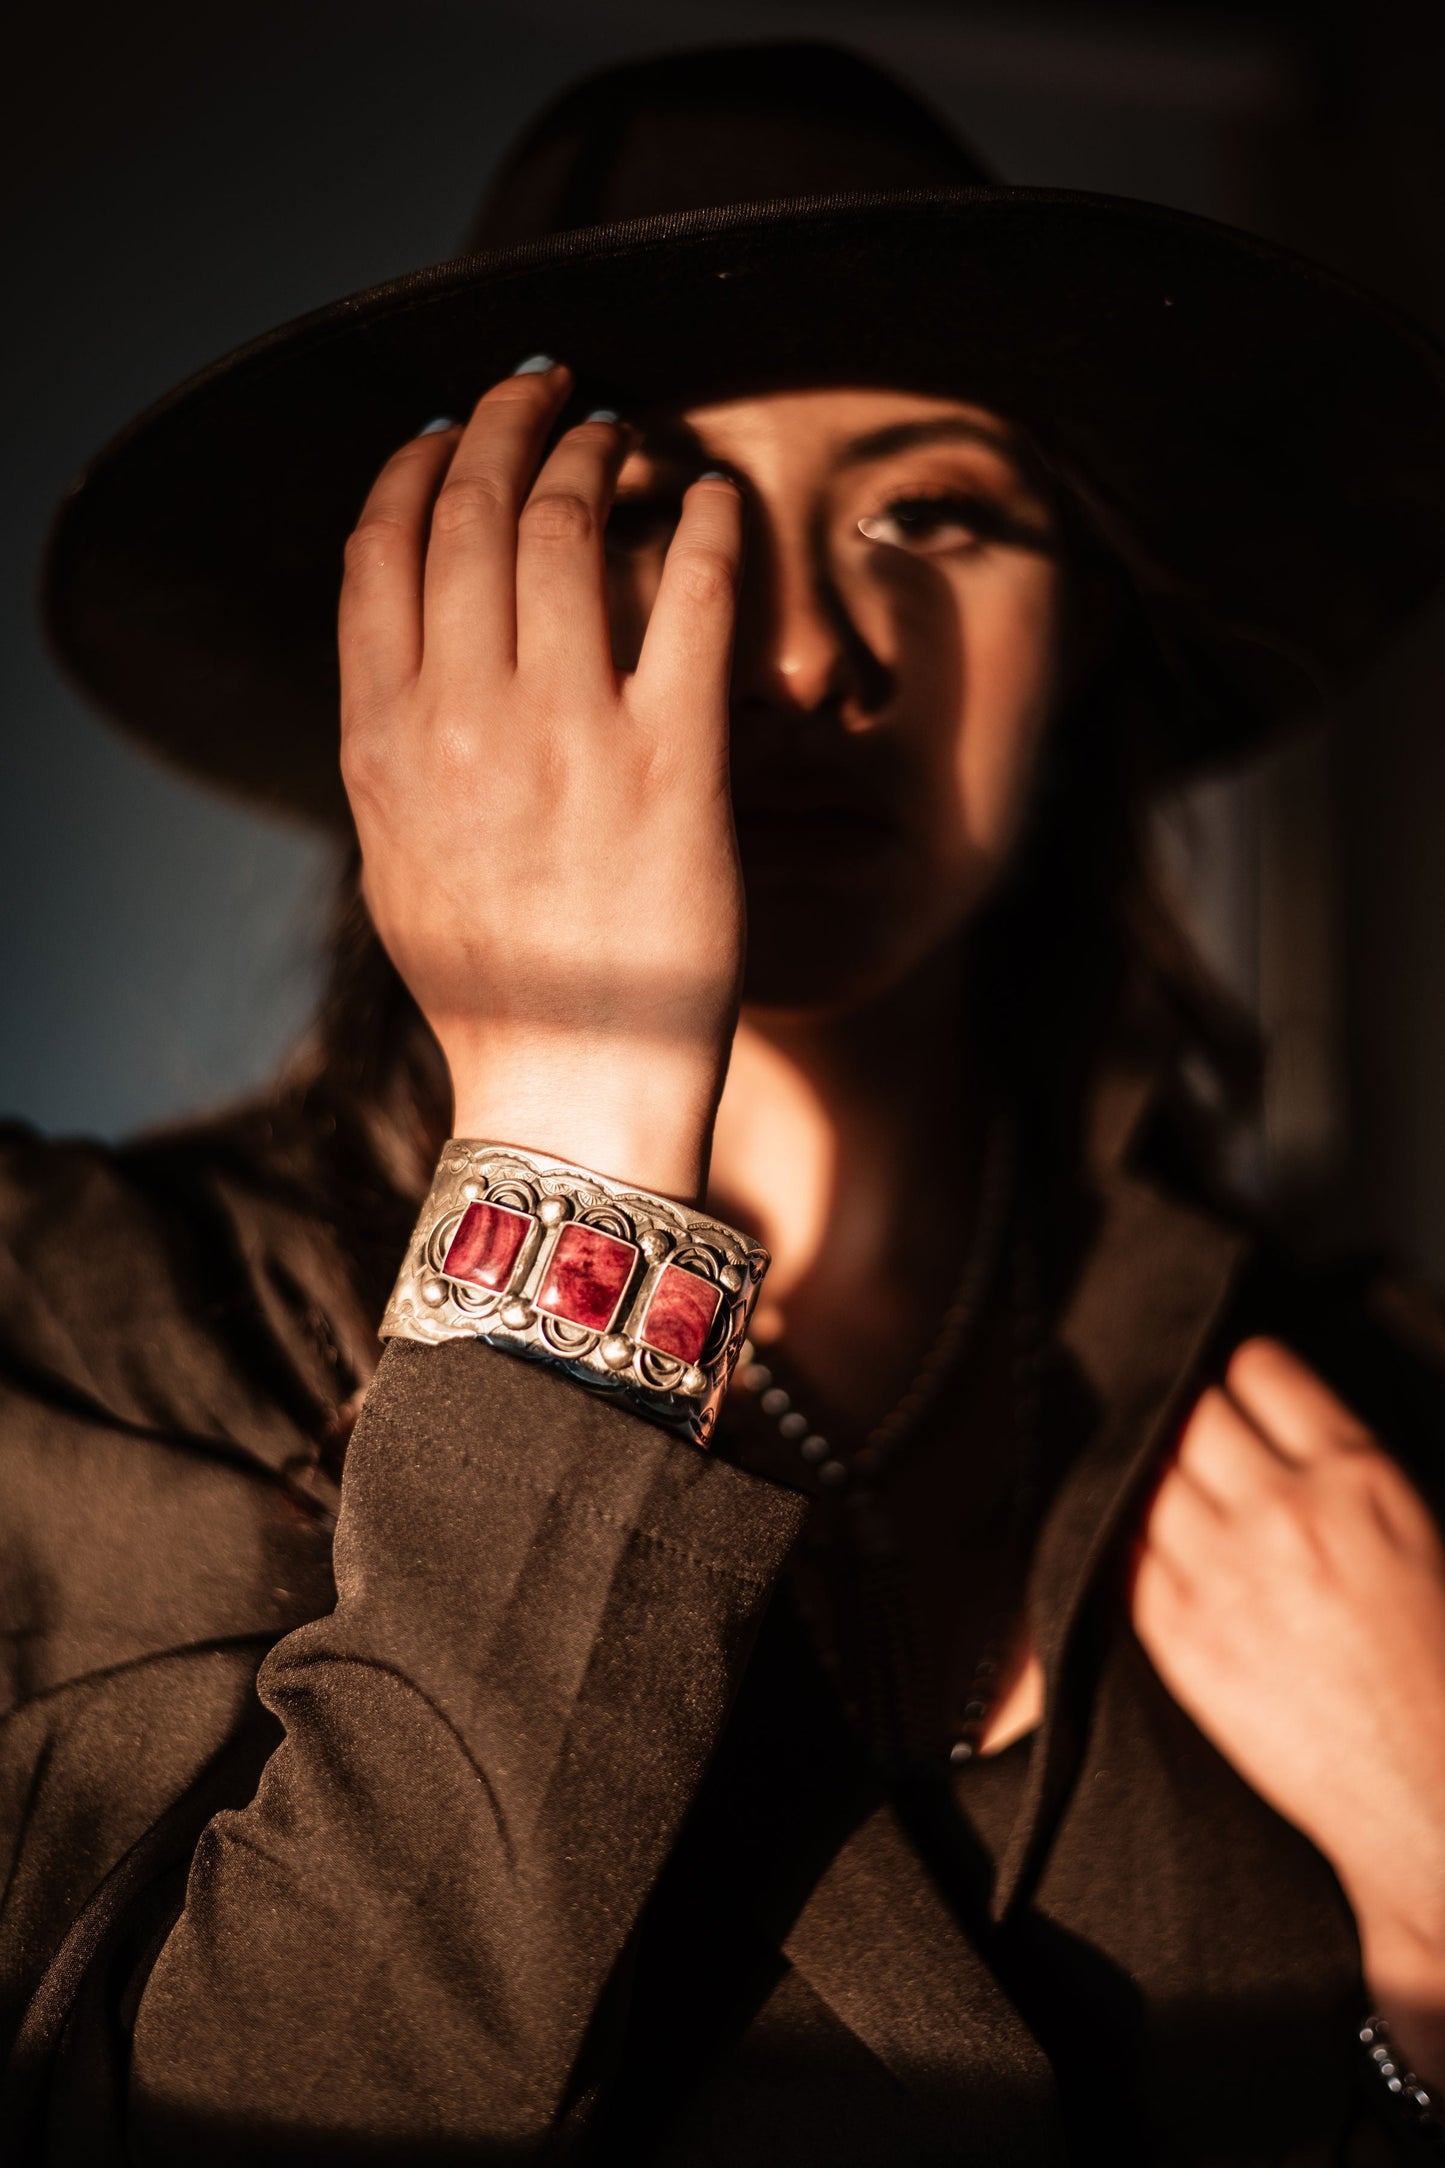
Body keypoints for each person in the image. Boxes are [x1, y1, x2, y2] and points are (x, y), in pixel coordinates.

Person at [6, 38, 1445, 2166]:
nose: (808, 650)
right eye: (653, 515)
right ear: (436, 643)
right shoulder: (103, 1337)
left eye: (937, 510)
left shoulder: (1358, 1397)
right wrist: (577, 1095)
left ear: (1084, 646)